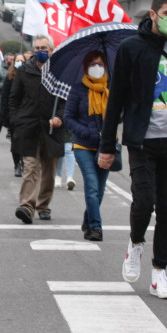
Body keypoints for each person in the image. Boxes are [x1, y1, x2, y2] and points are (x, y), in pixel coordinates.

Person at [98, 0, 167, 299]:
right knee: (144, 201)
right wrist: (108, 145)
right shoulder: (132, 48)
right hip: (143, 140)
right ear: (153, 14)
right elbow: (116, 98)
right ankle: (135, 244)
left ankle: (160, 273)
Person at [9, 35, 68, 223]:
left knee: (49, 171)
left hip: (52, 129)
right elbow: (14, 99)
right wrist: (17, 120)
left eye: (44, 47)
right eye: (37, 48)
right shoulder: (24, 70)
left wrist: (60, 117)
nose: (40, 51)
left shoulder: (60, 71)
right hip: (29, 127)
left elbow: (67, 100)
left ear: (51, 50)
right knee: (30, 168)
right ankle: (26, 206)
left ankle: (44, 205)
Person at [64, 50, 112, 242]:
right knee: (91, 186)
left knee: (99, 191)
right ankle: (95, 228)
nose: (97, 68)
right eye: (93, 64)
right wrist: (88, 132)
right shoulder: (77, 89)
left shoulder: (111, 89)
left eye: (100, 64)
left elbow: (120, 114)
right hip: (83, 145)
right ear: (86, 67)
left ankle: (87, 220)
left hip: (106, 147)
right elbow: (68, 118)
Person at [0, 54, 25, 176]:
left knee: (25, 140)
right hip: (13, 114)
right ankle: (17, 164)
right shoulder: (10, 77)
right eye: (18, 60)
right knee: (15, 141)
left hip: (26, 113)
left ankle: (24, 161)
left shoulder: (28, 76)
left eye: (22, 60)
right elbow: (5, 97)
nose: (20, 62)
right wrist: (4, 115)